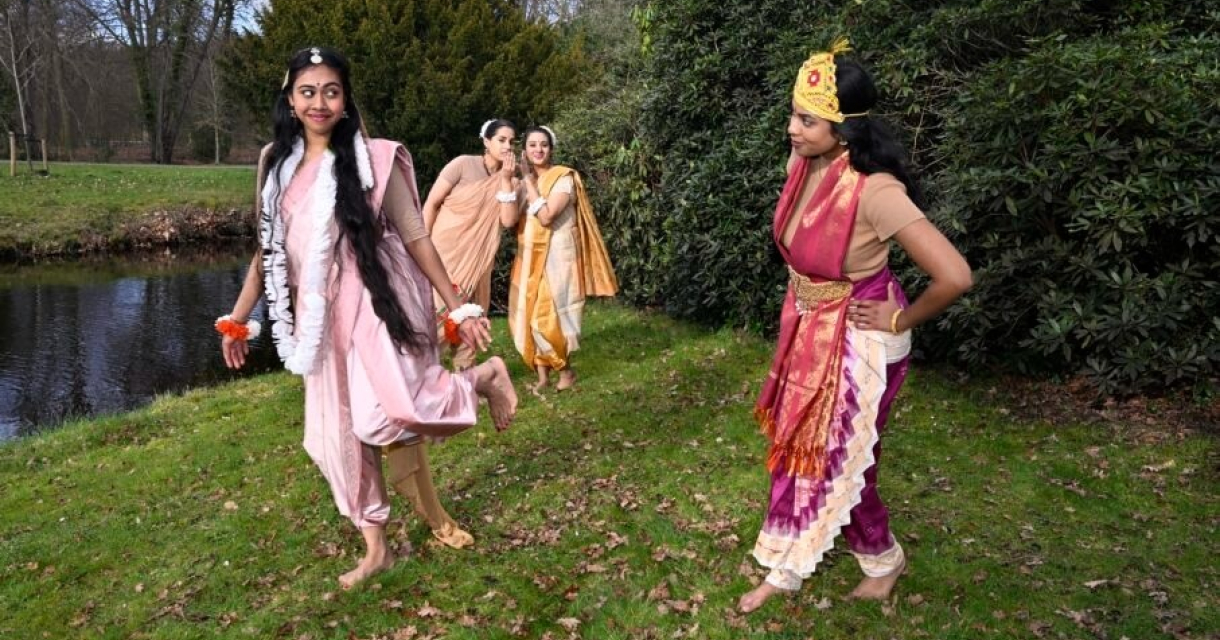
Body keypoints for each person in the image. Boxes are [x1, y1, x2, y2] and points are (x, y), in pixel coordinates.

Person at [217, 46, 518, 590]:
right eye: (307, 91)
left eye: (331, 91)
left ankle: (485, 376)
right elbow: (269, 248)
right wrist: (239, 318)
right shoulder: (274, 163)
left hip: (376, 304)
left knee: (388, 416)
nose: (319, 102)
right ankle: (376, 548)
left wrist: (460, 306)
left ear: (346, 99)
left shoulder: (375, 158)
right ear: (290, 98)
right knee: (337, 439)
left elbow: (417, 236)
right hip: (318, 317)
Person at [738, 39, 972, 613]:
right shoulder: (806, 165)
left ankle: (868, 560)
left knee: (841, 457)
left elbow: (955, 275)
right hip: (810, 323)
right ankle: (809, 554)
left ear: (844, 129)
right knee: (801, 445)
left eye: (807, 119)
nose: (792, 128)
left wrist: (900, 315)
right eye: (793, 113)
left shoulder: (876, 191)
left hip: (864, 338)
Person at [508, 126, 618, 392]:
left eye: (543, 145)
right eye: (532, 145)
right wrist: (508, 181)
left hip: (557, 256)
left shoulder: (563, 177)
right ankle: (543, 375)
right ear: (524, 150)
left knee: (550, 314)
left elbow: (546, 217)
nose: (538, 150)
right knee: (529, 312)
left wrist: (528, 182)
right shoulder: (522, 182)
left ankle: (566, 371)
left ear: (552, 149)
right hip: (529, 256)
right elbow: (509, 220)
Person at [422, 119, 521, 370]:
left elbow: (508, 221)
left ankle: (464, 376)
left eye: (512, 141)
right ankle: (416, 370)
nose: (507, 146)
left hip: (478, 258)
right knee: (434, 312)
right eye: (501, 140)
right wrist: (421, 249)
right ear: (486, 142)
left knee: (472, 311)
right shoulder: (463, 164)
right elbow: (432, 203)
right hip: (444, 252)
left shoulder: (512, 178)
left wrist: (507, 180)